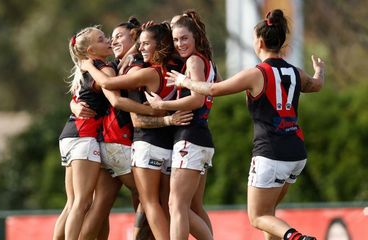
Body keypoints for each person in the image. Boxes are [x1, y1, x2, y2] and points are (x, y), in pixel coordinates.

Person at [166, 9, 325, 240]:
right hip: (296, 154)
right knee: (269, 215)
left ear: (259, 42)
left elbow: (213, 89)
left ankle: (295, 237)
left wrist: (184, 80)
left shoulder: (256, 73)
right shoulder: (296, 72)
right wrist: (320, 70)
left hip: (270, 153)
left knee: (257, 217)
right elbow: (317, 85)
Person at [81, 22, 184, 240]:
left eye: (119, 36)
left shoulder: (133, 67)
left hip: (114, 142)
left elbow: (113, 96)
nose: (112, 40)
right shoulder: (128, 65)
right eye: (109, 37)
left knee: (102, 205)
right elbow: (119, 104)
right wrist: (164, 116)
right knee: (153, 201)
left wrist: (88, 66)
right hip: (120, 142)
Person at [145, 10, 216, 240]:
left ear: (195, 37)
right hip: (199, 136)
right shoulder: (205, 60)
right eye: (175, 40)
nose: (179, 44)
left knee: (176, 205)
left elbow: (197, 99)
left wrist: (161, 106)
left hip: (191, 135)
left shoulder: (194, 60)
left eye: (184, 38)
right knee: (187, 207)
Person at [53, 25, 117, 240]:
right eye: (101, 39)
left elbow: (76, 99)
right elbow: (112, 89)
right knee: (82, 203)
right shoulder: (102, 70)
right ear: (90, 50)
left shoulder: (84, 69)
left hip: (70, 134)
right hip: (84, 136)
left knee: (72, 204)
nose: (107, 40)